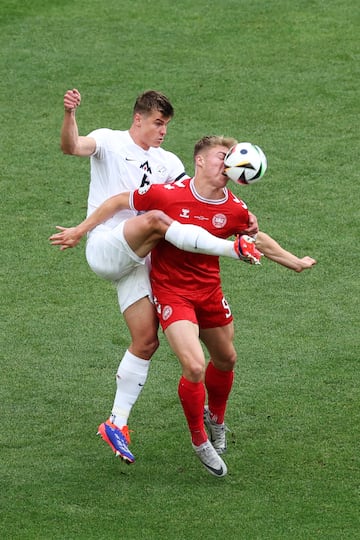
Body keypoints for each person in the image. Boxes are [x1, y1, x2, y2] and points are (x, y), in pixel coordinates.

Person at [51, 135, 316, 475]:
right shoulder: (168, 194)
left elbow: (255, 237)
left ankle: (216, 418)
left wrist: (292, 261)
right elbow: (119, 200)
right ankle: (199, 439)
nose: (229, 162)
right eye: (223, 156)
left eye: (232, 157)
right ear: (201, 161)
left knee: (227, 358)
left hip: (209, 292)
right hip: (172, 294)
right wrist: (82, 230)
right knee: (193, 366)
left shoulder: (235, 208)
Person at [59, 90, 259, 464]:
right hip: (107, 245)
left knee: (146, 341)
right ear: (138, 119)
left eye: (166, 124)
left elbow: (193, 202)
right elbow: (72, 147)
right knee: (155, 219)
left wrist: (245, 222)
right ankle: (231, 253)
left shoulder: (168, 161)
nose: (163, 131)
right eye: (157, 123)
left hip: (138, 260)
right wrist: (70, 115)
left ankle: (116, 422)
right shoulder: (109, 141)